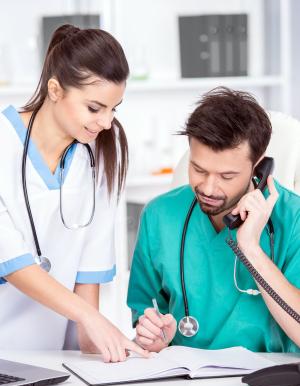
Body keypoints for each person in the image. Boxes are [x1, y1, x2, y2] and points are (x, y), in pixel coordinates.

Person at [0, 24, 149, 362]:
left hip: (51, 359)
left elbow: (88, 268)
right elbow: (12, 261)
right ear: (55, 90)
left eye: (114, 108)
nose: (107, 122)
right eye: (94, 108)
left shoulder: (104, 154)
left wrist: (94, 343)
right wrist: (89, 318)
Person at [127, 87, 300, 353]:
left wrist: (251, 248)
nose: (208, 187)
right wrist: (154, 336)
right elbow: (146, 314)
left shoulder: (293, 218)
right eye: (198, 169)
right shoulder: (159, 216)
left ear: (259, 167)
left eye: (227, 176)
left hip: (270, 385)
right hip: (185, 381)